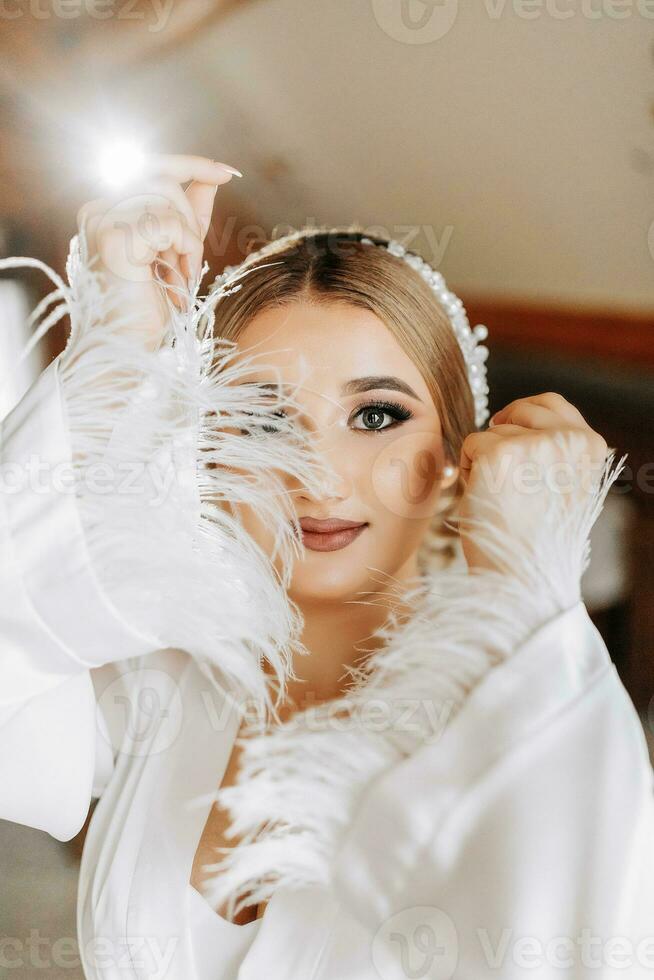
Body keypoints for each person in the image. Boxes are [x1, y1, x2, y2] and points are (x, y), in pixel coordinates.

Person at [1, 153, 652, 979]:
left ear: (456, 450)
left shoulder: (520, 727)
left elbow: (574, 941)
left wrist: (526, 577)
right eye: (264, 419)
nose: (315, 473)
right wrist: (118, 346)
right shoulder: (163, 682)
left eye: (376, 414)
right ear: (209, 449)